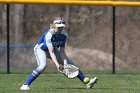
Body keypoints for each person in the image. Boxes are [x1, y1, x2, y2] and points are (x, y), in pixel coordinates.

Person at [20, 17, 98, 90]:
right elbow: (51, 52)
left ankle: (87, 83)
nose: (60, 29)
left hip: (53, 50)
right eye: (58, 27)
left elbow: (62, 52)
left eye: (62, 27)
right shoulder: (49, 35)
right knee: (43, 66)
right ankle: (25, 85)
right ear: (54, 26)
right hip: (41, 50)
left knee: (72, 65)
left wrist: (65, 64)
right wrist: (57, 65)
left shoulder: (64, 35)